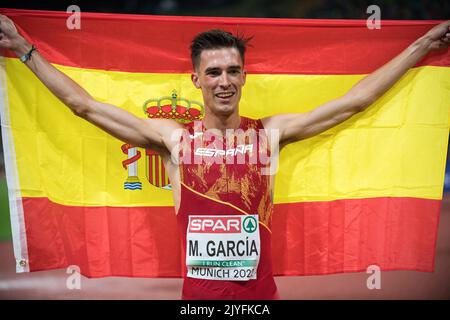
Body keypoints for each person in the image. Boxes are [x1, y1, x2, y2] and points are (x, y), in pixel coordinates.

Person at [0, 14, 449, 300]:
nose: (224, 80)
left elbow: (352, 104)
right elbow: (86, 107)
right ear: (196, 80)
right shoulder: (175, 142)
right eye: (213, 72)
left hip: (260, 300)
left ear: (245, 76)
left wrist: (420, 48)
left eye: (233, 70)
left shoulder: (270, 134)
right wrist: (25, 51)